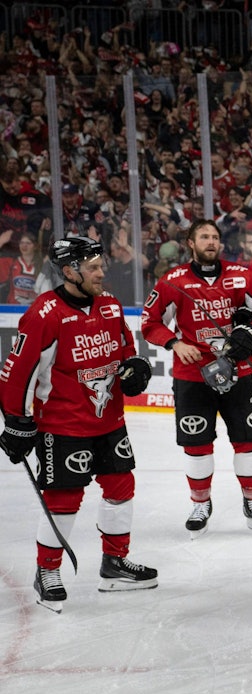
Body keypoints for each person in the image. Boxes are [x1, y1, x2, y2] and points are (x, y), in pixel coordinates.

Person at [0, 235, 156, 613]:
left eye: (101, 265)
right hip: (63, 425)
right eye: (93, 268)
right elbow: (15, 374)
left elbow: (125, 353)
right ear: (70, 271)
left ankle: (114, 564)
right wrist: (18, 423)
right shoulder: (44, 313)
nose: (102, 272)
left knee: (121, 486)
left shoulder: (110, 306)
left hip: (109, 420)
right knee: (64, 499)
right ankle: (47, 570)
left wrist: (135, 368)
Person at [140, 219, 252, 536]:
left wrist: (250, 332)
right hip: (192, 375)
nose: (211, 241)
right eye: (204, 236)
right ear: (191, 242)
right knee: (197, 444)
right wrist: (175, 343)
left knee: (250, 440)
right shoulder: (172, 281)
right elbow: (150, 323)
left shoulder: (243, 275)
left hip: (238, 371)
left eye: (215, 237)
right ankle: (200, 503)